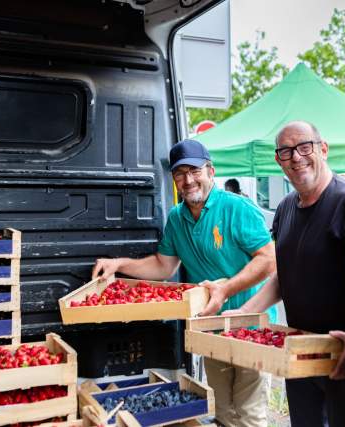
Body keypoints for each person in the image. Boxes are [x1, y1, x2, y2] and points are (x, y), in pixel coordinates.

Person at [92, 139, 277, 427]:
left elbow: (268, 260)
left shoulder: (237, 208)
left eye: (195, 171)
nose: (188, 180)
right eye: (180, 174)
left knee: (249, 415)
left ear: (210, 171)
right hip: (210, 328)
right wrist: (119, 265)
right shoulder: (177, 218)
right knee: (223, 411)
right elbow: (163, 266)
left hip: (249, 325)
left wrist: (226, 289)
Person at [226, 121, 345, 427]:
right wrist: (244, 313)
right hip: (297, 355)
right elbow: (284, 276)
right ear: (278, 160)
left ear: (323, 149)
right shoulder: (284, 209)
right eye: (286, 151)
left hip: (342, 356)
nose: (296, 157)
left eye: (304, 147)